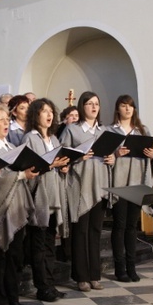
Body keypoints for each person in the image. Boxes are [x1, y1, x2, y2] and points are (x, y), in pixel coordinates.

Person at [0, 104, 38, 305]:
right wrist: (21, 175)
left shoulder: (10, 145)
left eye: (7, 119)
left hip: (15, 205)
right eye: (1, 119)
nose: (6, 123)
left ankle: (13, 296)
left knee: (14, 255)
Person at [59, 91, 115, 292]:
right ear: (82, 107)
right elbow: (62, 157)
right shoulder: (72, 130)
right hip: (80, 186)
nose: (94, 107)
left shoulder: (105, 131)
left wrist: (112, 160)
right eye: (90, 104)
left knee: (95, 231)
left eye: (96, 104)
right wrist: (77, 158)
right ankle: (81, 276)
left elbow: (111, 155)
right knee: (80, 232)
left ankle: (95, 275)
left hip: (99, 186)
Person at [22, 98, 70, 302]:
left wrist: (64, 168)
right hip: (38, 198)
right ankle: (42, 287)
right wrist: (51, 165)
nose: (49, 115)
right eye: (44, 111)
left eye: (51, 111)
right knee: (39, 245)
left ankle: (50, 284)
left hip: (53, 195)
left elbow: (56, 164)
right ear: (35, 115)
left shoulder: (54, 139)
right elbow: (29, 171)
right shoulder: (29, 138)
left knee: (51, 244)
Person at [109, 95, 153, 282]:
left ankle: (131, 266)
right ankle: (120, 268)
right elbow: (105, 157)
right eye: (123, 105)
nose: (127, 109)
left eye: (130, 106)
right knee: (119, 226)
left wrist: (152, 156)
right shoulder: (111, 131)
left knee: (131, 227)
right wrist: (116, 153)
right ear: (117, 109)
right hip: (119, 185)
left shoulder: (142, 131)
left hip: (137, 183)